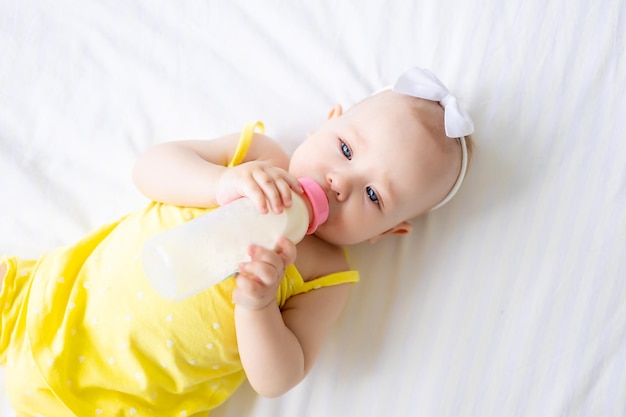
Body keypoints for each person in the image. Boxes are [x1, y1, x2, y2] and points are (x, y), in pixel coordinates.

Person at [0, 67, 474, 416]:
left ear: (388, 232)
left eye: (373, 195)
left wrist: (258, 306)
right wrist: (219, 185)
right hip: (43, 302)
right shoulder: (256, 158)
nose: (339, 183)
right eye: (346, 149)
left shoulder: (326, 274)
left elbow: (279, 377)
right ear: (328, 121)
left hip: (117, 401)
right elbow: (149, 169)